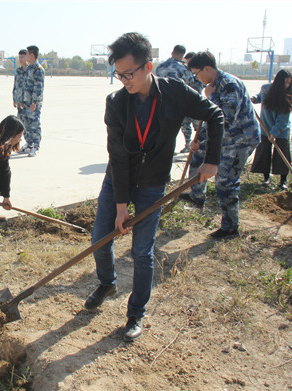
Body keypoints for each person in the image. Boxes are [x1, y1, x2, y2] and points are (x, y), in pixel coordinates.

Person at [86, 33, 224, 342]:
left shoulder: (175, 93)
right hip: (117, 178)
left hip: (152, 183)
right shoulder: (116, 102)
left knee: (141, 251)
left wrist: (211, 161)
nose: (123, 80)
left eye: (128, 74)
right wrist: (121, 205)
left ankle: (136, 313)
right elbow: (118, 155)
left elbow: (215, 116)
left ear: (148, 66)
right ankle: (107, 282)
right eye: (118, 74)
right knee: (99, 239)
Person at [181, 51, 260, 239]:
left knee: (225, 181)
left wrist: (210, 97)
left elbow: (224, 119)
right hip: (228, 138)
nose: (197, 79)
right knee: (199, 155)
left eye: (197, 74)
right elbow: (211, 121)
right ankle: (197, 196)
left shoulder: (229, 85)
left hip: (241, 139)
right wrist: (199, 139)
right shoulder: (215, 84)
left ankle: (231, 226)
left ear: (207, 68)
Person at [250, 69, 292, 190]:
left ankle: (283, 180)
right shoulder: (266, 89)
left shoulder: (287, 98)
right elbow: (260, 97)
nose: (287, 86)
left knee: (282, 154)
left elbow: (282, 121)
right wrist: (254, 98)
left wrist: (274, 133)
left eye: (289, 83)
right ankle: (266, 178)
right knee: (264, 151)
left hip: (281, 130)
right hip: (265, 127)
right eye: (285, 83)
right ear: (278, 82)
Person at [155, 45, 194, 153]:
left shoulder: (160, 67)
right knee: (189, 125)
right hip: (181, 103)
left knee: (167, 129)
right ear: (182, 55)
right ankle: (189, 145)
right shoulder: (184, 69)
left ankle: (166, 150)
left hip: (164, 103)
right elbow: (191, 84)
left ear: (172, 53)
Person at [21, 45, 45, 157]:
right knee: (26, 124)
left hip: (33, 103)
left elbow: (38, 87)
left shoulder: (38, 69)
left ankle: (36, 146)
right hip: (26, 101)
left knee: (34, 124)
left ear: (32, 55)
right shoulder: (29, 68)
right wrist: (21, 99)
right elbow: (24, 85)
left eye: (27, 54)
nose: (25, 56)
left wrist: (34, 102)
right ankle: (29, 144)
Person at [12, 49, 28, 125]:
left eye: (22, 57)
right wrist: (14, 98)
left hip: (27, 102)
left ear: (27, 57)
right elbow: (15, 85)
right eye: (19, 57)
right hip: (19, 100)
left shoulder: (30, 70)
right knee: (20, 123)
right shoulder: (18, 70)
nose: (21, 59)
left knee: (28, 123)